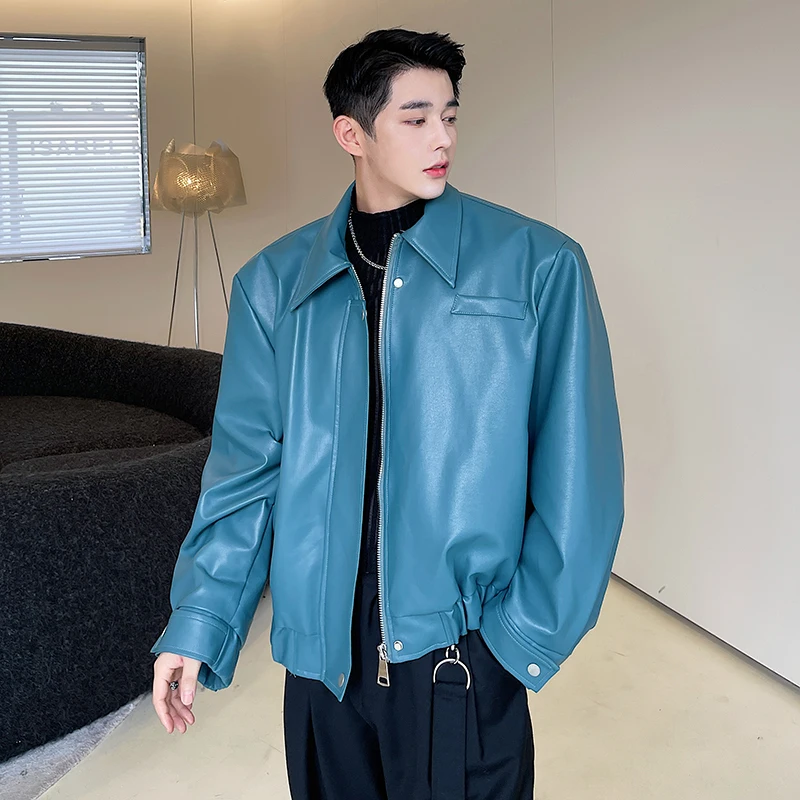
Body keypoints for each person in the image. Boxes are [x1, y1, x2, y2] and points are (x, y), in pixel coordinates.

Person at [150, 27, 625, 800]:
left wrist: (516, 641)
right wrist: (200, 620)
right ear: (352, 134)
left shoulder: (538, 267)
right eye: (416, 117)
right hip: (319, 665)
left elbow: (582, 479)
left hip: (459, 657)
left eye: (451, 115)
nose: (443, 138)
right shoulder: (273, 286)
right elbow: (244, 474)